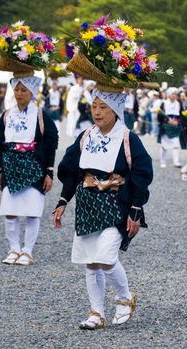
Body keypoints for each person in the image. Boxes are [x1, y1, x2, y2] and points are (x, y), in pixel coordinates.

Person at [53, 89, 153, 330]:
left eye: (103, 107)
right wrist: (63, 201)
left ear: (116, 110)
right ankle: (96, 313)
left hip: (115, 203)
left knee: (106, 257)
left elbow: (142, 173)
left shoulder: (128, 138)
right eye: (94, 106)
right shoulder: (87, 135)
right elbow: (71, 170)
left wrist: (136, 209)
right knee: (91, 261)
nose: (97, 111)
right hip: (88, 205)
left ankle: (125, 298)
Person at [0, 76, 58, 265]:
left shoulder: (40, 116)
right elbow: (1, 144)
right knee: (10, 210)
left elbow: (50, 145)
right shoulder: (7, 115)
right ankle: (14, 249)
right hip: (11, 166)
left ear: (32, 93)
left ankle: (27, 251)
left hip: (34, 167)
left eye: (24, 90)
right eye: (17, 90)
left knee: (31, 211)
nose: (19, 94)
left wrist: (49, 173)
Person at [157, 87, 183, 168]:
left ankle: (176, 161)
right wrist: (167, 121)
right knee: (164, 146)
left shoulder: (179, 104)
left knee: (176, 144)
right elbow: (159, 117)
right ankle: (163, 161)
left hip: (175, 127)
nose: (174, 96)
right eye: (173, 94)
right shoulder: (163, 104)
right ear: (169, 95)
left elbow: (182, 116)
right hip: (165, 127)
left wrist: (178, 122)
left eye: (175, 94)